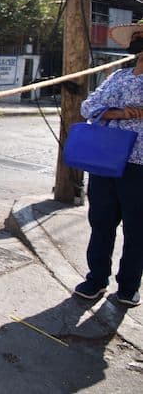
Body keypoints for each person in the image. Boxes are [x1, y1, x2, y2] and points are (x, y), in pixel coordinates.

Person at [74, 20, 143, 308]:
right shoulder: (119, 77)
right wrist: (117, 113)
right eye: (137, 39)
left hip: (139, 168)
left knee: (137, 230)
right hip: (105, 163)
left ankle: (128, 287)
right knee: (101, 223)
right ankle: (96, 280)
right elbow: (88, 106)